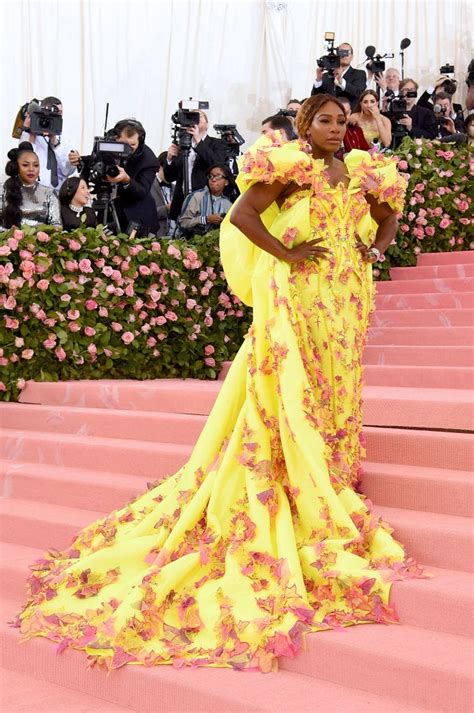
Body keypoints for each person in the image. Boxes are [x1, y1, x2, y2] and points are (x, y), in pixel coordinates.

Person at [14, 94, 416, 674]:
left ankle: (328, 464)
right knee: (293, 381)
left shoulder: (362, 168)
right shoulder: (288, 166)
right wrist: (289, 252)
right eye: (323, 120)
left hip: (347, 293)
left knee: (338, 378)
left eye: (341, 121)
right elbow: (243, 218)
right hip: (298, 293)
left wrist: (372, 249)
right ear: (306, 126)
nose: (334, 129)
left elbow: (388, 217)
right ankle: (296, 470)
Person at [164, 110, 228, 221]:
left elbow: (218, 165)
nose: (195, 119)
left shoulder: (217, 143)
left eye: (200, 117)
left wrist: (198, 141)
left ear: (207, 124)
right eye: (191, 117)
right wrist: (169, 159)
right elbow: (169, 177)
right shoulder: (183, 144)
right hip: (181, 202)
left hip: (204, 202)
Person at [0, 142, 61, 229]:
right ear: (16, 167)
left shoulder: (49, 193)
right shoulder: (3, 190)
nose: (31, 169)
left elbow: (56, 225)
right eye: (25, 165)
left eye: (36, 165)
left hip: (42, 241)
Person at [20, 96, 75, 192]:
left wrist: (54, 140)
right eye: (53, 111)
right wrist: (31, 131)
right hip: (35, 192)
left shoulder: (66, 139)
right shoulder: (29, 136)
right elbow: (24, 161)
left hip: (59, 193)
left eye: (60, 113)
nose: (56, 115)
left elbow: (67, 171)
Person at [177, 163, 236, 236]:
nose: (213, 179)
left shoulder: (228, 204)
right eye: (211, 176)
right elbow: (183, 223)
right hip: (192, 243)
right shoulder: (196, 196)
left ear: (226, 182)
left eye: (218, 176)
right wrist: (206, 219)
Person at [311, 42, 366, 108]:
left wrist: (341, 81)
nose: (344, 55)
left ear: (352, 57)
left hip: (349, 114)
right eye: (341, 52)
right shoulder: (326, 76)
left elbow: (359, 93)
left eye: (346, 52)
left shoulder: (359, 74)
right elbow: (314, 99)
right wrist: (318, 80)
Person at [150, 151, 175, 237]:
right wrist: (166, 208)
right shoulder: (148, 185)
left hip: (175, 239)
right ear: (160, 167)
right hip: (154, 238)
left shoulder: (176, 189)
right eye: (168, 169)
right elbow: (144, 214)